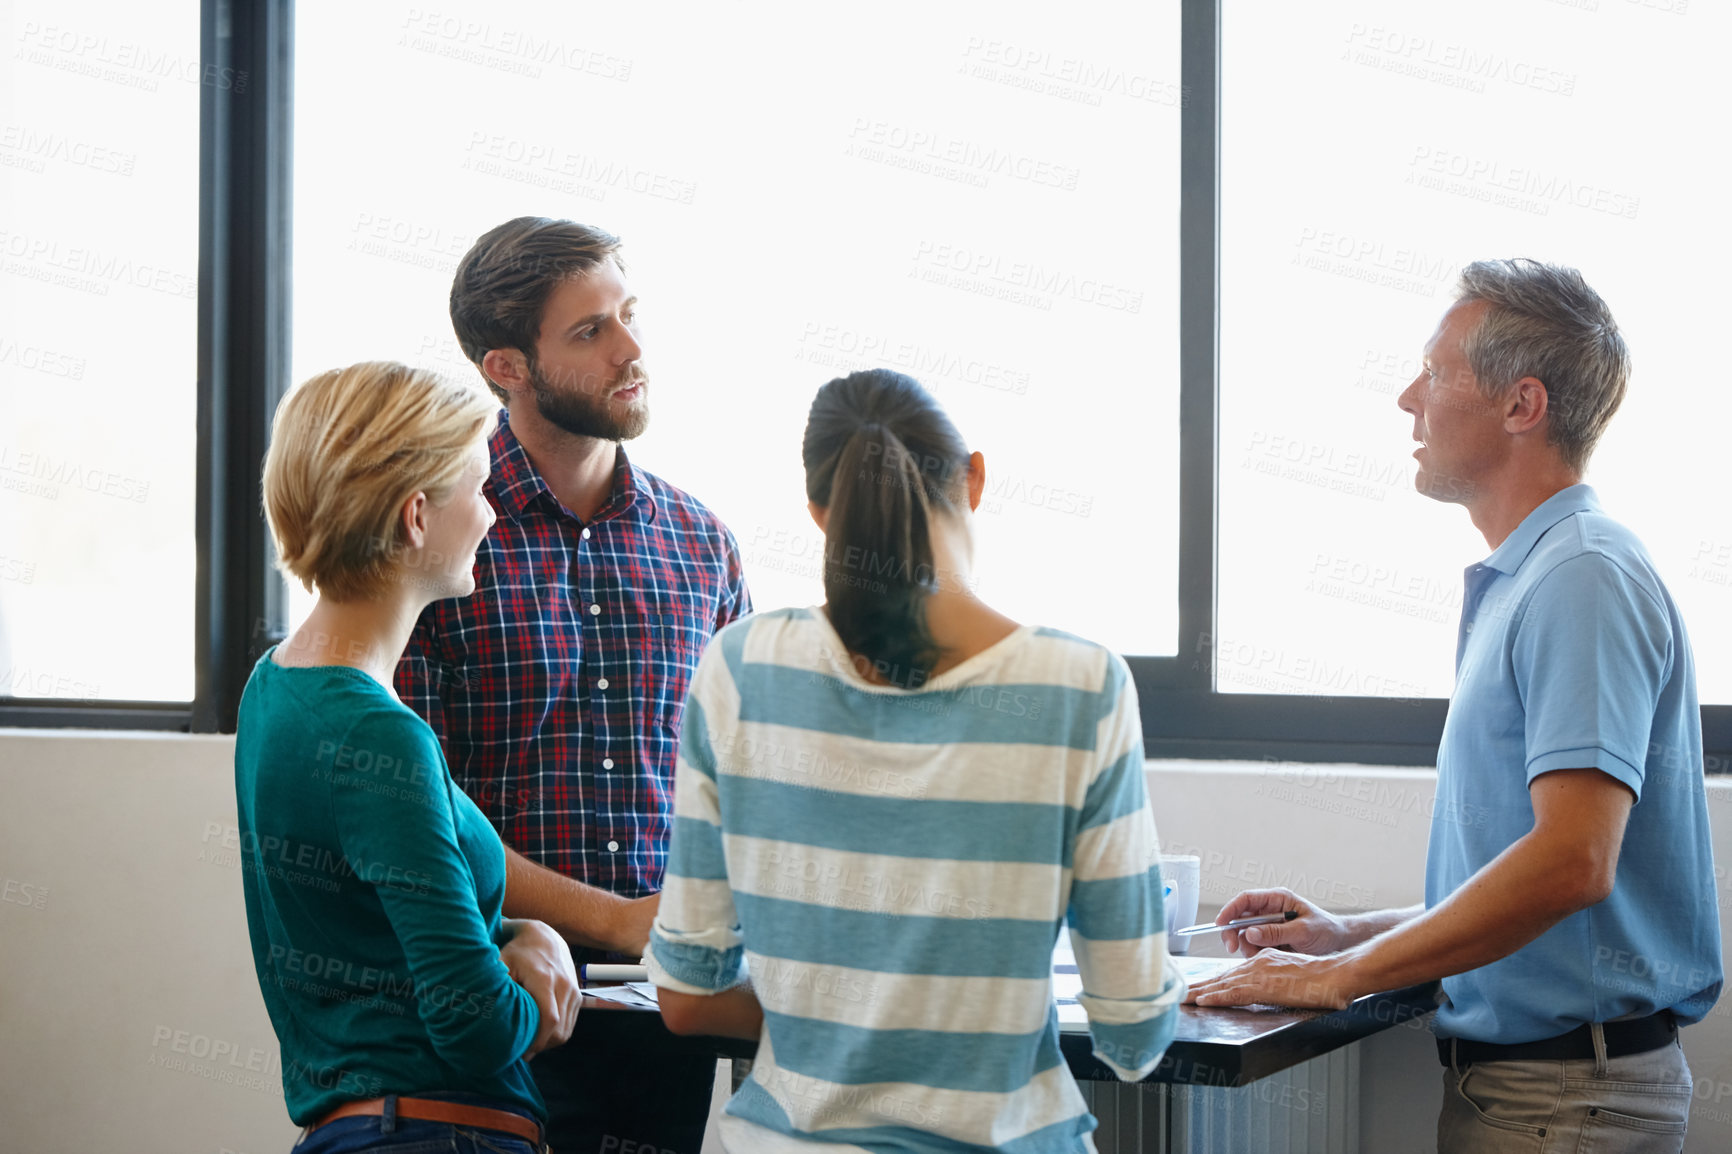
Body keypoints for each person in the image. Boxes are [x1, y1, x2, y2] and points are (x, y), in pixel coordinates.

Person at [1186, 259, 1723, 1152]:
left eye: (1434, 372)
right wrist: (1343, 934)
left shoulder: (1581, 576)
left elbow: (1573, 864)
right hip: (1532, 1092)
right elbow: (1530, 880)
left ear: (1522, 406)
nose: (1407, 397)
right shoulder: (1537, 576)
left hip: (1566, 1101)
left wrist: (1344, 976)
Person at [647, 369, 1184, 1152]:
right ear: (972, 477)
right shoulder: (1078, 686)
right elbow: (1131, 1029)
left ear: (819, 513)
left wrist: (843, 1013)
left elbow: (687, 998)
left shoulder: (740, 667)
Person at [396, 217, 752, 1153]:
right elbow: (415, 816)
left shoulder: (701, 543)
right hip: (493, 994)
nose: (632, 350)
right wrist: (615, 922)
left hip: (668, 1010)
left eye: (628, 316)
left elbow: (741, 786)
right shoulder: (438, 536)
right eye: (590, 332)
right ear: (505, 366)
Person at [236, 361, 582, 1152]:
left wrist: (513, 929)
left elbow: (375, 929)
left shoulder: (274, 685)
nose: (493, 517)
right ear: (416, 515)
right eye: (479, 489)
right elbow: (477, 1028)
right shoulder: (378, 737)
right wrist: (541, 976)